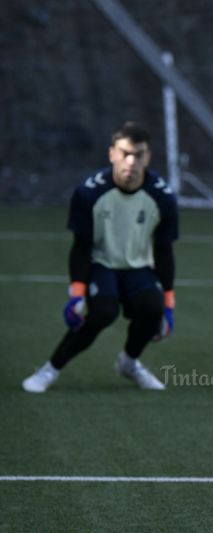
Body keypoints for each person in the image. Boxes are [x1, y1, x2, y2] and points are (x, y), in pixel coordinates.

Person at [22, 121, 178, 393]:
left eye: (138, 154)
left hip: (138, 268)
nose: (131, 161)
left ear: (148, 157)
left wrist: (168, 303)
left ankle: (129, 363)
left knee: (152, 309)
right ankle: (50, 369)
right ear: (111, 154)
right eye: (124, 153)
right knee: (103, 312)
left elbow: (164, 250)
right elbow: (81, 246)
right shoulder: (89, 193)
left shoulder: (162, 197)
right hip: (100, 264)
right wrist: (76, 293)